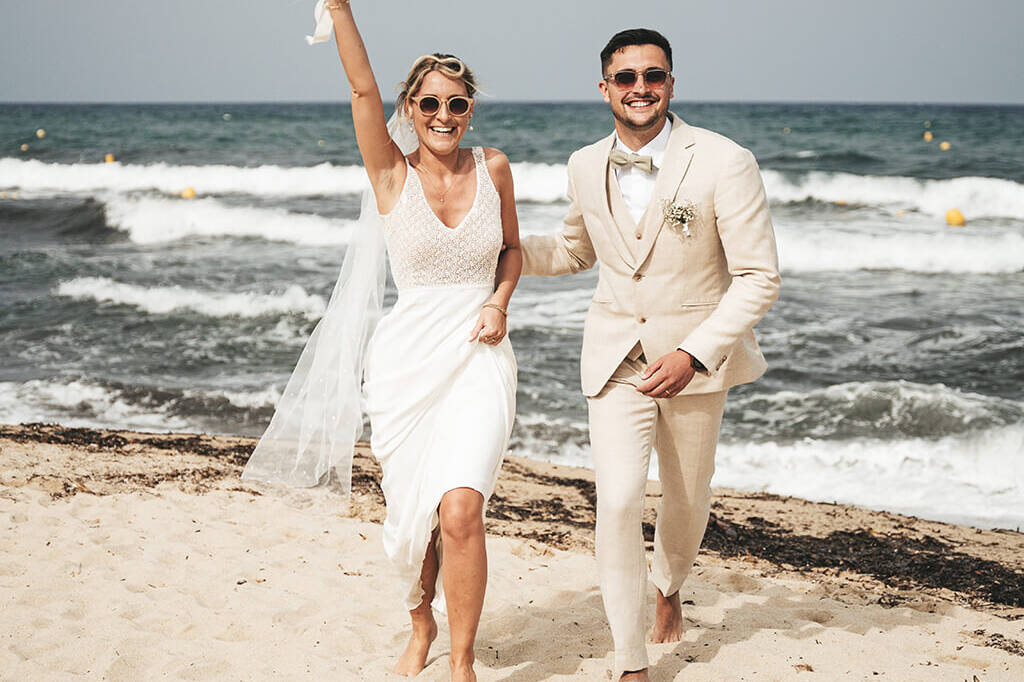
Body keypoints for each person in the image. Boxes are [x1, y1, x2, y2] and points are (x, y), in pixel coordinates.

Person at [243, 2, 521, 680]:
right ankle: (421, 624)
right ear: (410, 108)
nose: (443, 115)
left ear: (470, 110)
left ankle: (462, 662)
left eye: (457, 103)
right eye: (430, 103)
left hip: (480, 355)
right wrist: (340, 9)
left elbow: (511, 249)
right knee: (413, 517)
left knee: (461, 508)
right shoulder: (392, 174)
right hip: (406, 364)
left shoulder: (495, 168)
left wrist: (498, 302)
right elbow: (361, 88)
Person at [520, 28, 780, 681]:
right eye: (627, 77)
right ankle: (629, 660)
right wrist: (499, 249)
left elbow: (758, 278)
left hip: (694, 363)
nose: (641, 88)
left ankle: (668, 584)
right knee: (617, 501)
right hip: (616, 358)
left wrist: (694, 353)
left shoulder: (725, 160)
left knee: (687, 500)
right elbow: (574, 251)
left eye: (653, 75)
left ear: (671, 83)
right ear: (604, 87)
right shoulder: (583, 165)